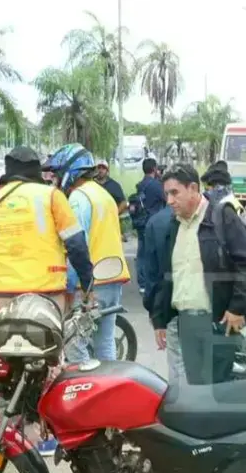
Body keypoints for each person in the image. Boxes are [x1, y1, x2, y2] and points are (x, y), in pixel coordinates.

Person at [0, 146, 94, 447]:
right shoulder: (52, 196)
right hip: (46, 293)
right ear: (36, 169)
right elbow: (77, 244)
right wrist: (87, 282)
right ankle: (47, 434)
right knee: (50, 360)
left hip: (3, 292)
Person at [150, 164, 246, 384]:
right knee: (198, 391)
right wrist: (159, 319)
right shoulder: (174, 225)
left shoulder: (221, 217)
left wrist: (237, 308)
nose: (169, 201)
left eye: (175, 193)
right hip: (187, 324)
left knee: (220, 394)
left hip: (218, 323)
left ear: (193, 188)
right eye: (166, 194)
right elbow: (169, 274)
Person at [63, 144, 130, 363]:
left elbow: (76, 245)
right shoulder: (104, 194)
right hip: (113, 277)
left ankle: (85, 390)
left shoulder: (78, 198)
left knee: (74, 343)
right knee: (105, 341)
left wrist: (71, 286)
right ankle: (107, 391)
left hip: (91, 283)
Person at [139, 173, 186, 388]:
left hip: (173, 311)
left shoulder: (155, 222)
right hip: (202, 312)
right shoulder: (211, 217)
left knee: (179, 370)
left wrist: (156, 316)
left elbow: (153, 276)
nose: (170, 199)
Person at [134, 158, 165, 294]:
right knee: (152, 253)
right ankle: (151, 281)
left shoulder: (140, 184)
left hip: (141, 222)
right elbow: (166, 199)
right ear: (154, 169)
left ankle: (141, 282)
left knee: (141, 252)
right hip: (153, 224)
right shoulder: (156, 185)